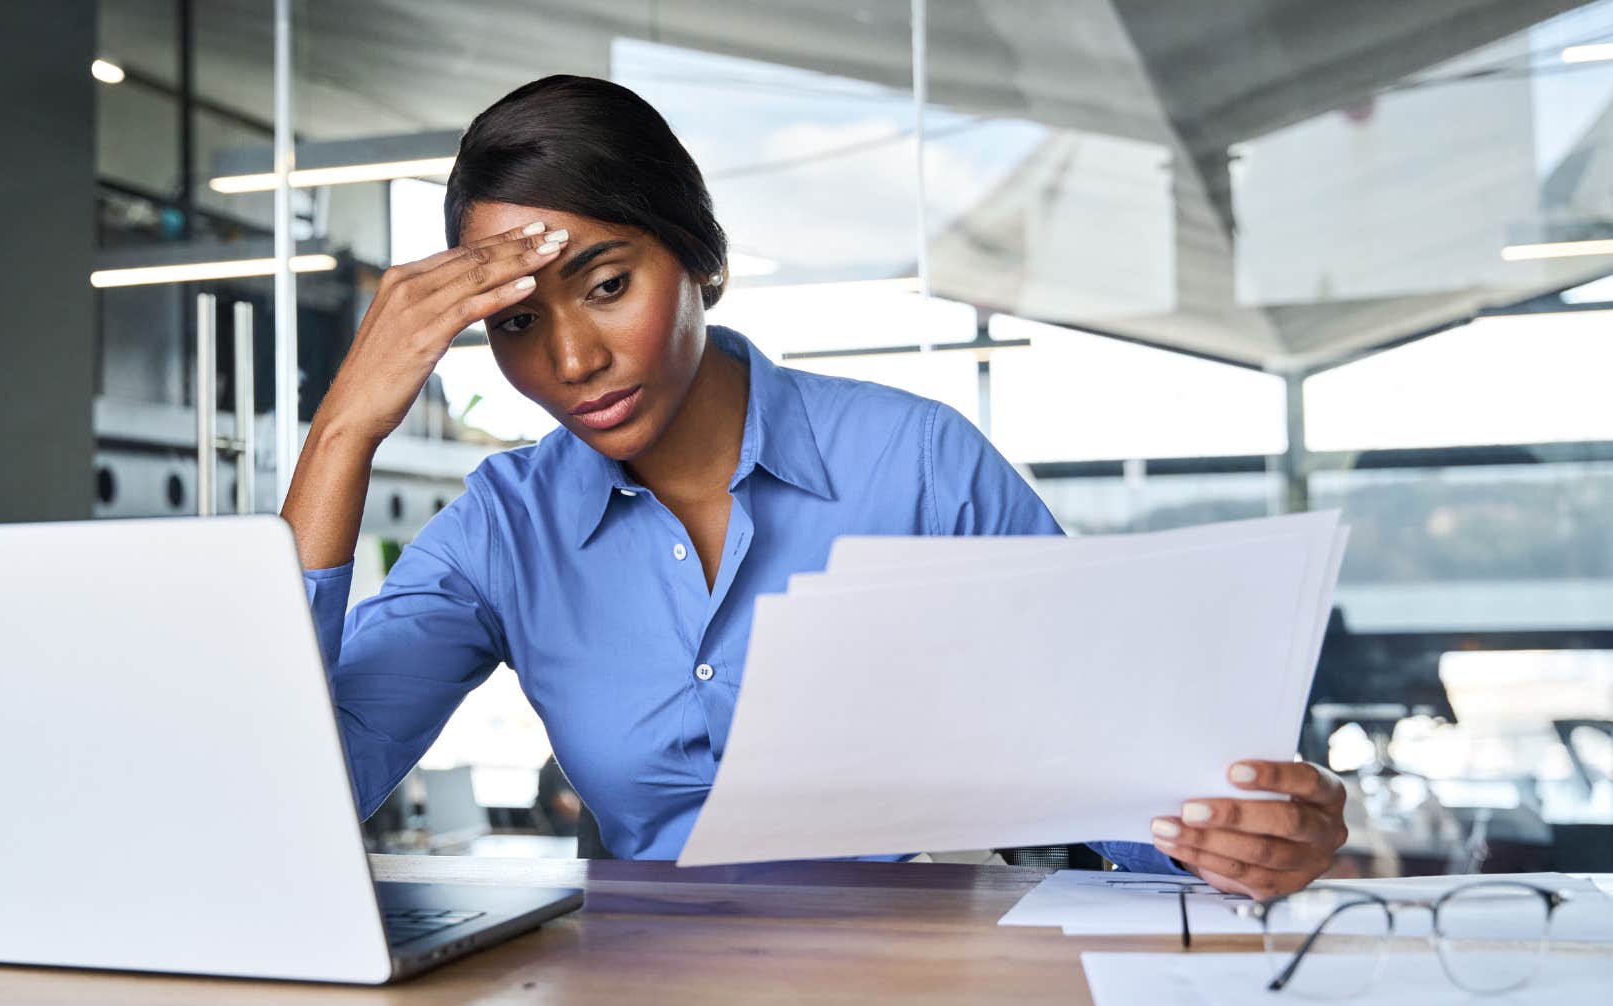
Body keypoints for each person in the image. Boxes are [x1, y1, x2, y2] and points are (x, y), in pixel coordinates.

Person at [280, 75, 1348, 900]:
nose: (569, 358)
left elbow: (1125, 769)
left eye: (607, 287)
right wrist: (342, 435)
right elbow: (306, 790)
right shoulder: (504, 529)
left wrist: (1238, 837)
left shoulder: (917, 466)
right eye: (515, 322)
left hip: (919, 993)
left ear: (701, 261)